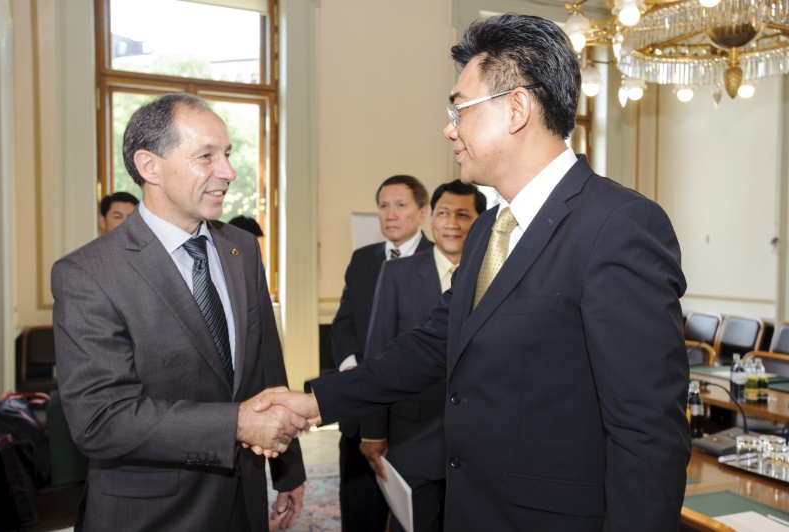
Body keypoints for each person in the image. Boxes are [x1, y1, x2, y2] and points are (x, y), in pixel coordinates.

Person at [256, 13, 691, 531]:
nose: (450, 128)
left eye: (459, 108)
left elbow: (648, 434)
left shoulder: (618, 225)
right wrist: (315, 402)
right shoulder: (486, 229)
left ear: (516, 109)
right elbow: (433, 344)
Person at [52, 93, 307, 531]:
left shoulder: (242, 248)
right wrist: (236, 424)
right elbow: (100, 419)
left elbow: (266, 369)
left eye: (227, 154)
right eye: (206, 156)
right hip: (152, 513)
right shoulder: (88, 273)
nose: (228, 172)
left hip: (243, 500)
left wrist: (288, 470)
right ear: (150, 166)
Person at [359, 180, 485, 532]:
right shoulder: (397, 273)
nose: (452, 223)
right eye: (443, 213)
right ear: (431, 217)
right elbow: (378, 354)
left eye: (464, 215)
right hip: (413, 436)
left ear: (481, 222)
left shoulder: (495, 275)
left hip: (478, 442)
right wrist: (373, 432)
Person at [331, 174, 433, 531]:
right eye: (383, 206)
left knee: (415, 517)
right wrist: (351, 367)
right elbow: (344, 322)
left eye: (401, 205)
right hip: (360, 406)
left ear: (423, 212)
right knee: (360, 512)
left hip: (414, 417)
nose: (390, 214)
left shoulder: (438, 261)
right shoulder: (363, 259)